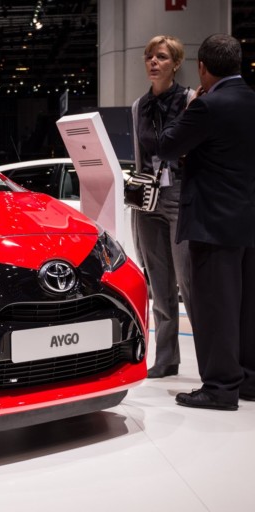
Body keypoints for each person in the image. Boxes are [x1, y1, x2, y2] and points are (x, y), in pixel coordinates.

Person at [157, 33, 255, 410]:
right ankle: (248, 380)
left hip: (212, 223)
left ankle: (220, 387)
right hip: (248, 222)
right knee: (247, 308)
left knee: (216, 308)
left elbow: (167, 145)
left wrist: (192, 105)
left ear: (202, 67)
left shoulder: (208, 106)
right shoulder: (251, 100)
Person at [131, 35, 195, 379]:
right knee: (158, 282)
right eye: (149, 57)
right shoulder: (138, 106)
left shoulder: (190, 100)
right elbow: (141, 156)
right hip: (148, 198)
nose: (153, 62)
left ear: (176, 63)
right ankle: (167, 358)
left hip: (180, 194)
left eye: (161, 57)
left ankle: (211, 359)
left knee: (188, 282)